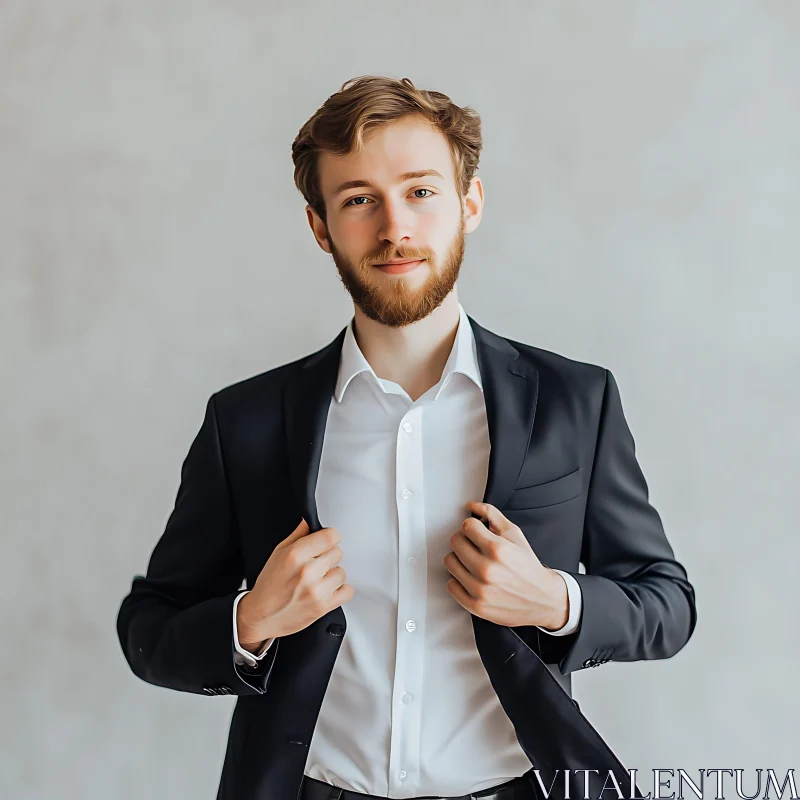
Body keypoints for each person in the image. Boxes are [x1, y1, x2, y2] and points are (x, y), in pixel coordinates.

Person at [116, 75, 697, 800]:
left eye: (421, 191)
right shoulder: (248, 422)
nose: (395, 227)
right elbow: (149, 629)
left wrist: (552, 600)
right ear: (320, 226)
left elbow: (667, 605)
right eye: (359, 200)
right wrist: (252, 619)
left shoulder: (577, 401)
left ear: (470, 203)